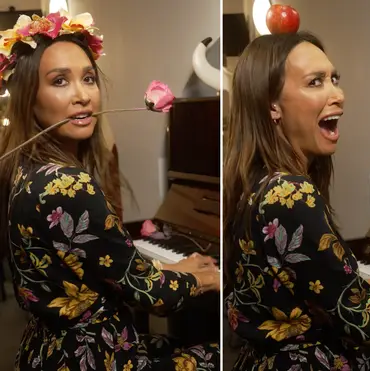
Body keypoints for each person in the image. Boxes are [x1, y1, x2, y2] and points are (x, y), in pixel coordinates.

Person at [0, 11, 221, 370]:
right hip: (92, 357)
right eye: (59, 82)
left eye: (88, 79)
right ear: (29, 96)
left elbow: (107, 269)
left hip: (47, 352)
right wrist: (202, 277)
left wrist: (176, 267)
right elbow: (153, 295)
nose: (82, 95)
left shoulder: (25, 171)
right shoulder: (68, 184)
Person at [222, 31, 370, 371]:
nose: (338, 94)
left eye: (334, 79)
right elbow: (367, 323)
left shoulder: (256, 181)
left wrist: (364, 283)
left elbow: (280, 285)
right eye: (315, 82)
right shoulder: (291, 194)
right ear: (272, 105)